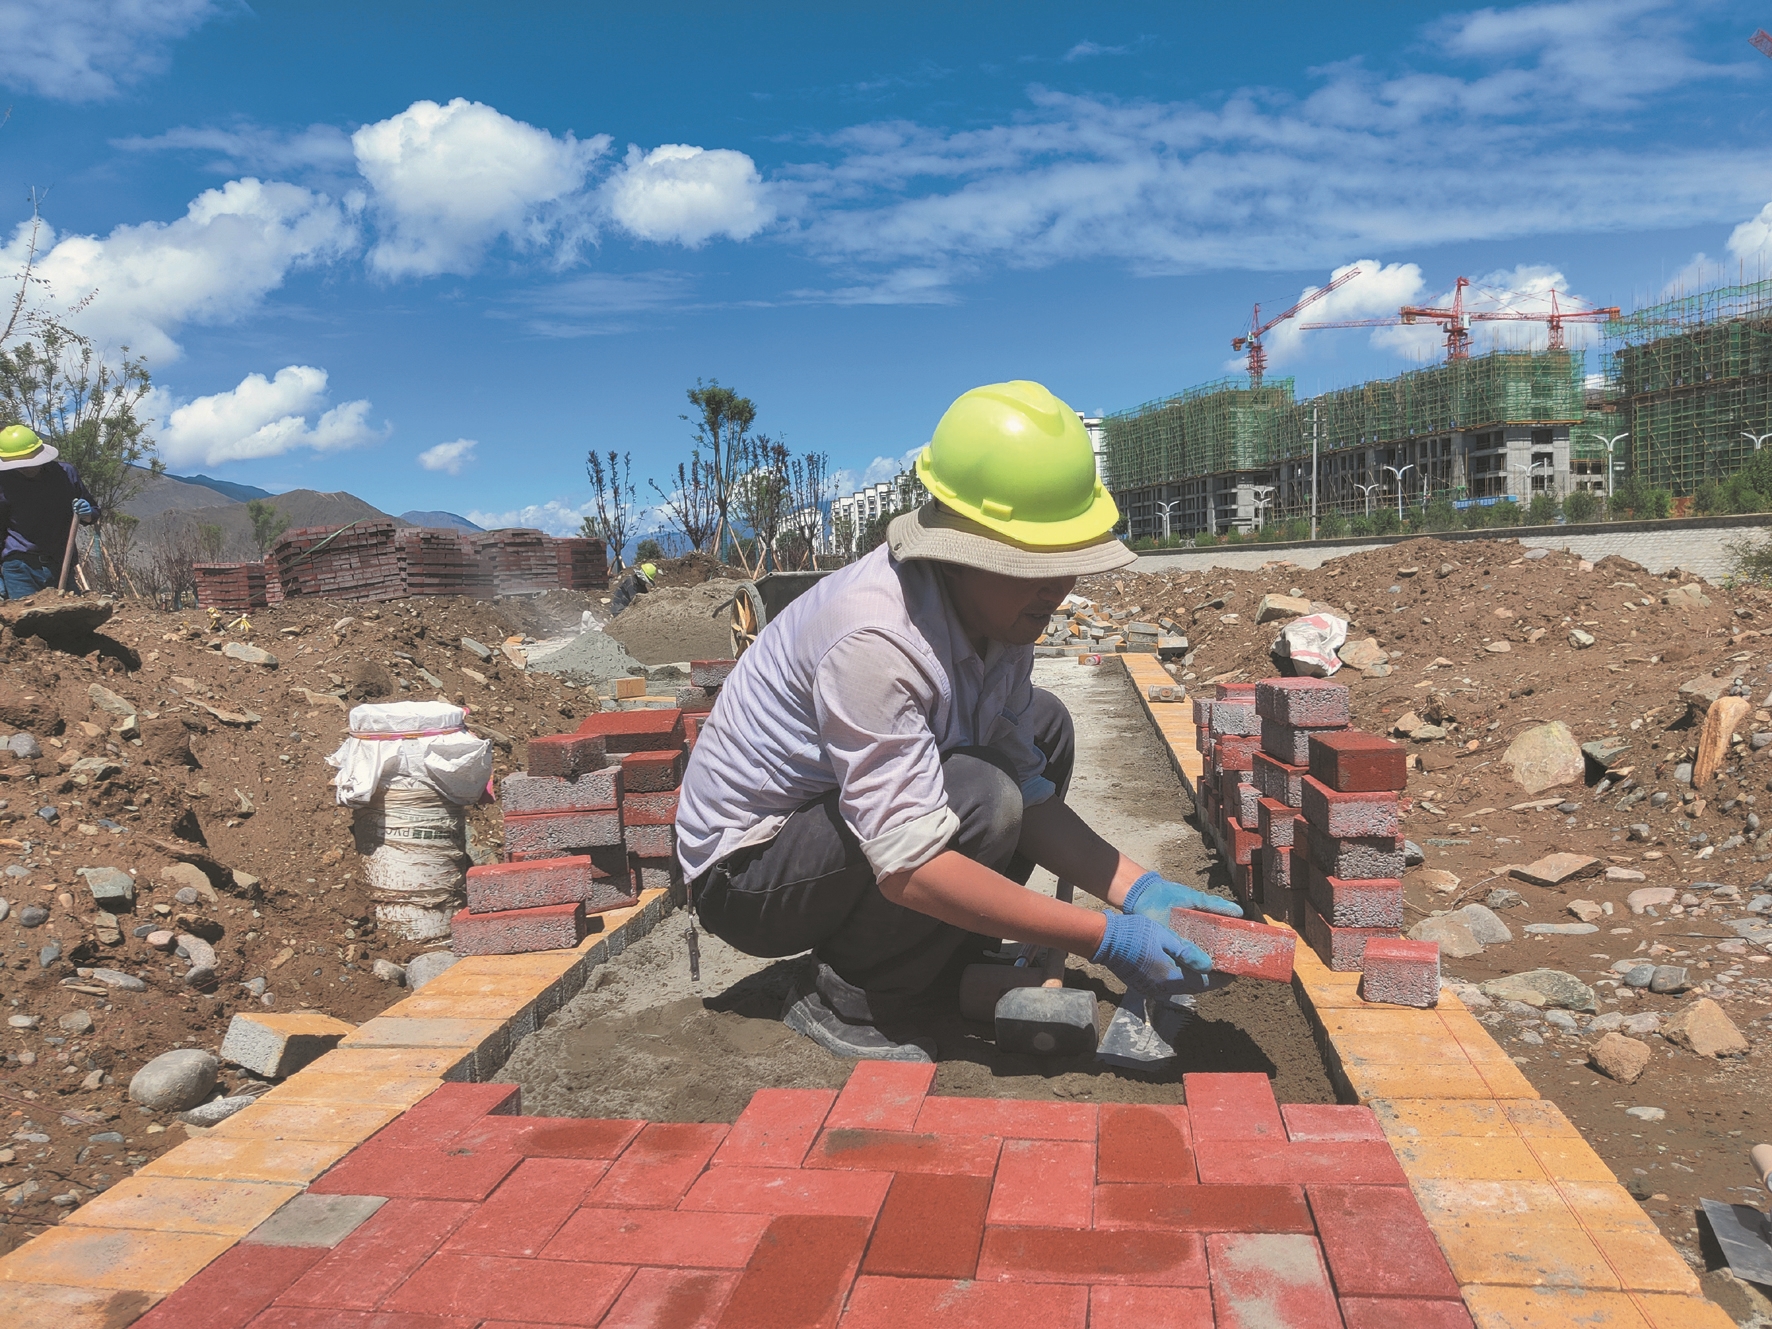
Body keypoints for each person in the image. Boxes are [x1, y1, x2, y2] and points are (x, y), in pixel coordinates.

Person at [675, 381, 1242, 1061]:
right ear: (964, 551)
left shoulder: (1001, 617)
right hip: (749, 872)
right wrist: (1101, 937)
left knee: (1043, 731)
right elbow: (909, 865)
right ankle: (849, 994)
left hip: (831, 831)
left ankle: (943, 951)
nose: (1058, 588)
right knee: (980, 793)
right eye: (1036, 565)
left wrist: (1137, 890)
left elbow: (1030, 787)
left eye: (1069, 563)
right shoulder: (875, 637)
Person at [0, 425, 99, 600]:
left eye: (31, 462)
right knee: (28, 617)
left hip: (61, 563)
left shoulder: (65, 474)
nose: (28, 468)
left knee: (72, 615)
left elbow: (93, 514)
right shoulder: (3, 483)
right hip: (20, 567)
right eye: (21, 465)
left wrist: (87, 512)